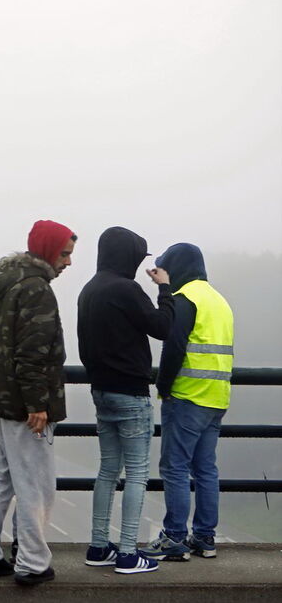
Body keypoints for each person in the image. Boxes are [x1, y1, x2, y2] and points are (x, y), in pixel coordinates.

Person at [0, 220, 76, 586]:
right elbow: (32, 354)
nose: (67, 262)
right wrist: (38, 404)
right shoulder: (36, 290)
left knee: (0, 481)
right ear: (48, 250)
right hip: (24, 408)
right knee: (35, 484)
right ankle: (32, 562)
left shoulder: (5, 285)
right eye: (64, 253)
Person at [77, 226, 173, 575]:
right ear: (129, 256)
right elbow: (162, 327)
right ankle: (130, 554)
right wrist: (164, 288)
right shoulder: (126, 289)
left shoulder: (89, 289)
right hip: (131, 393)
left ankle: (99, 546)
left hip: (100, 391)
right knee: (136, 475)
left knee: (107, 471)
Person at [142, 243, 234, 561]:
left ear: (177, 267)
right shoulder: (219, 301)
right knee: (206, 469)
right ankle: (205, 538)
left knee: (175, 468)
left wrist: (163, 387)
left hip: (187, 395)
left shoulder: (185, 299)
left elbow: (174, 344)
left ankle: (175, 538)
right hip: (216, 397)